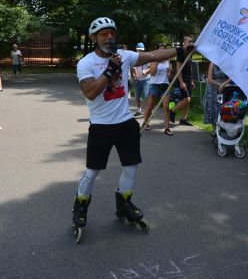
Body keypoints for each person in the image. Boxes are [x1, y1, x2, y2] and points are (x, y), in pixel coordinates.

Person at [73, 17, 193, 241]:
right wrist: (110, 70)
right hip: (101, 126)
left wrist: (180, 50)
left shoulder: (125, 56)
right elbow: (90, 92)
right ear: (93, 38)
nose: (109, 37)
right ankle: (80, 208)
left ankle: (124, 204)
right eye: (103, 34)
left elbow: (155, 55)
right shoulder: (86, 63)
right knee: (92, 172)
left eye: (112, 33)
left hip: (125, 122)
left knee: (131, 166)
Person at [141, 44, 173, 136]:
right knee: (150, 105)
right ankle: (145, 122)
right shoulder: (153, 60)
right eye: (161, 51)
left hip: (165, 85)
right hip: (154, 85)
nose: (163, 53)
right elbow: (152, 73)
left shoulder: (168, 61)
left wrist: (170, 71)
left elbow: (169, 76)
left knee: (166, 107)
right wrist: (157, 62)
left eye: (164, 51)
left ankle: (167, 128)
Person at [169, 40, 195, 126]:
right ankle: (172, 111)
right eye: (189, 41)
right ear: (184, 42)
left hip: (188, 80)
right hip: (182, 80)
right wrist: (181, 82)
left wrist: (191, 80)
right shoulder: (181, 53)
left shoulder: (190, 53)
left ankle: (183, 119)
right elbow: (178, 69)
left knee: (188, 101)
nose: (191, 42)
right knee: (187, 99)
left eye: (192, 41)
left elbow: (190, 67)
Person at [202, 62, 231, 136]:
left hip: (224, 88)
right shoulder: (212, 64)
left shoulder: (227, 63)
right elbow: (210, 79)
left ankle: (223, 128)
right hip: (212, 88)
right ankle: (214, 129)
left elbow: (231, 77)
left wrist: (223, 85)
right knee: (213, 108)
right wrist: (220, 85)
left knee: (222, 108)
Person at [131, 43, 150, 116]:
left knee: (146, 97)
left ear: (143, 50)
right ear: (136, 50)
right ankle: (139, 111)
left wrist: (146, 71)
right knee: (137, 97)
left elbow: (151, 67)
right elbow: (132, 68)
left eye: (141, 50)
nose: (140, 52)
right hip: (138, 80)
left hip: (146, 80)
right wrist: (134, 75)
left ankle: (148, 111)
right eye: (139, 50)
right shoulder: (134, 58)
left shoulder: (147, 58)